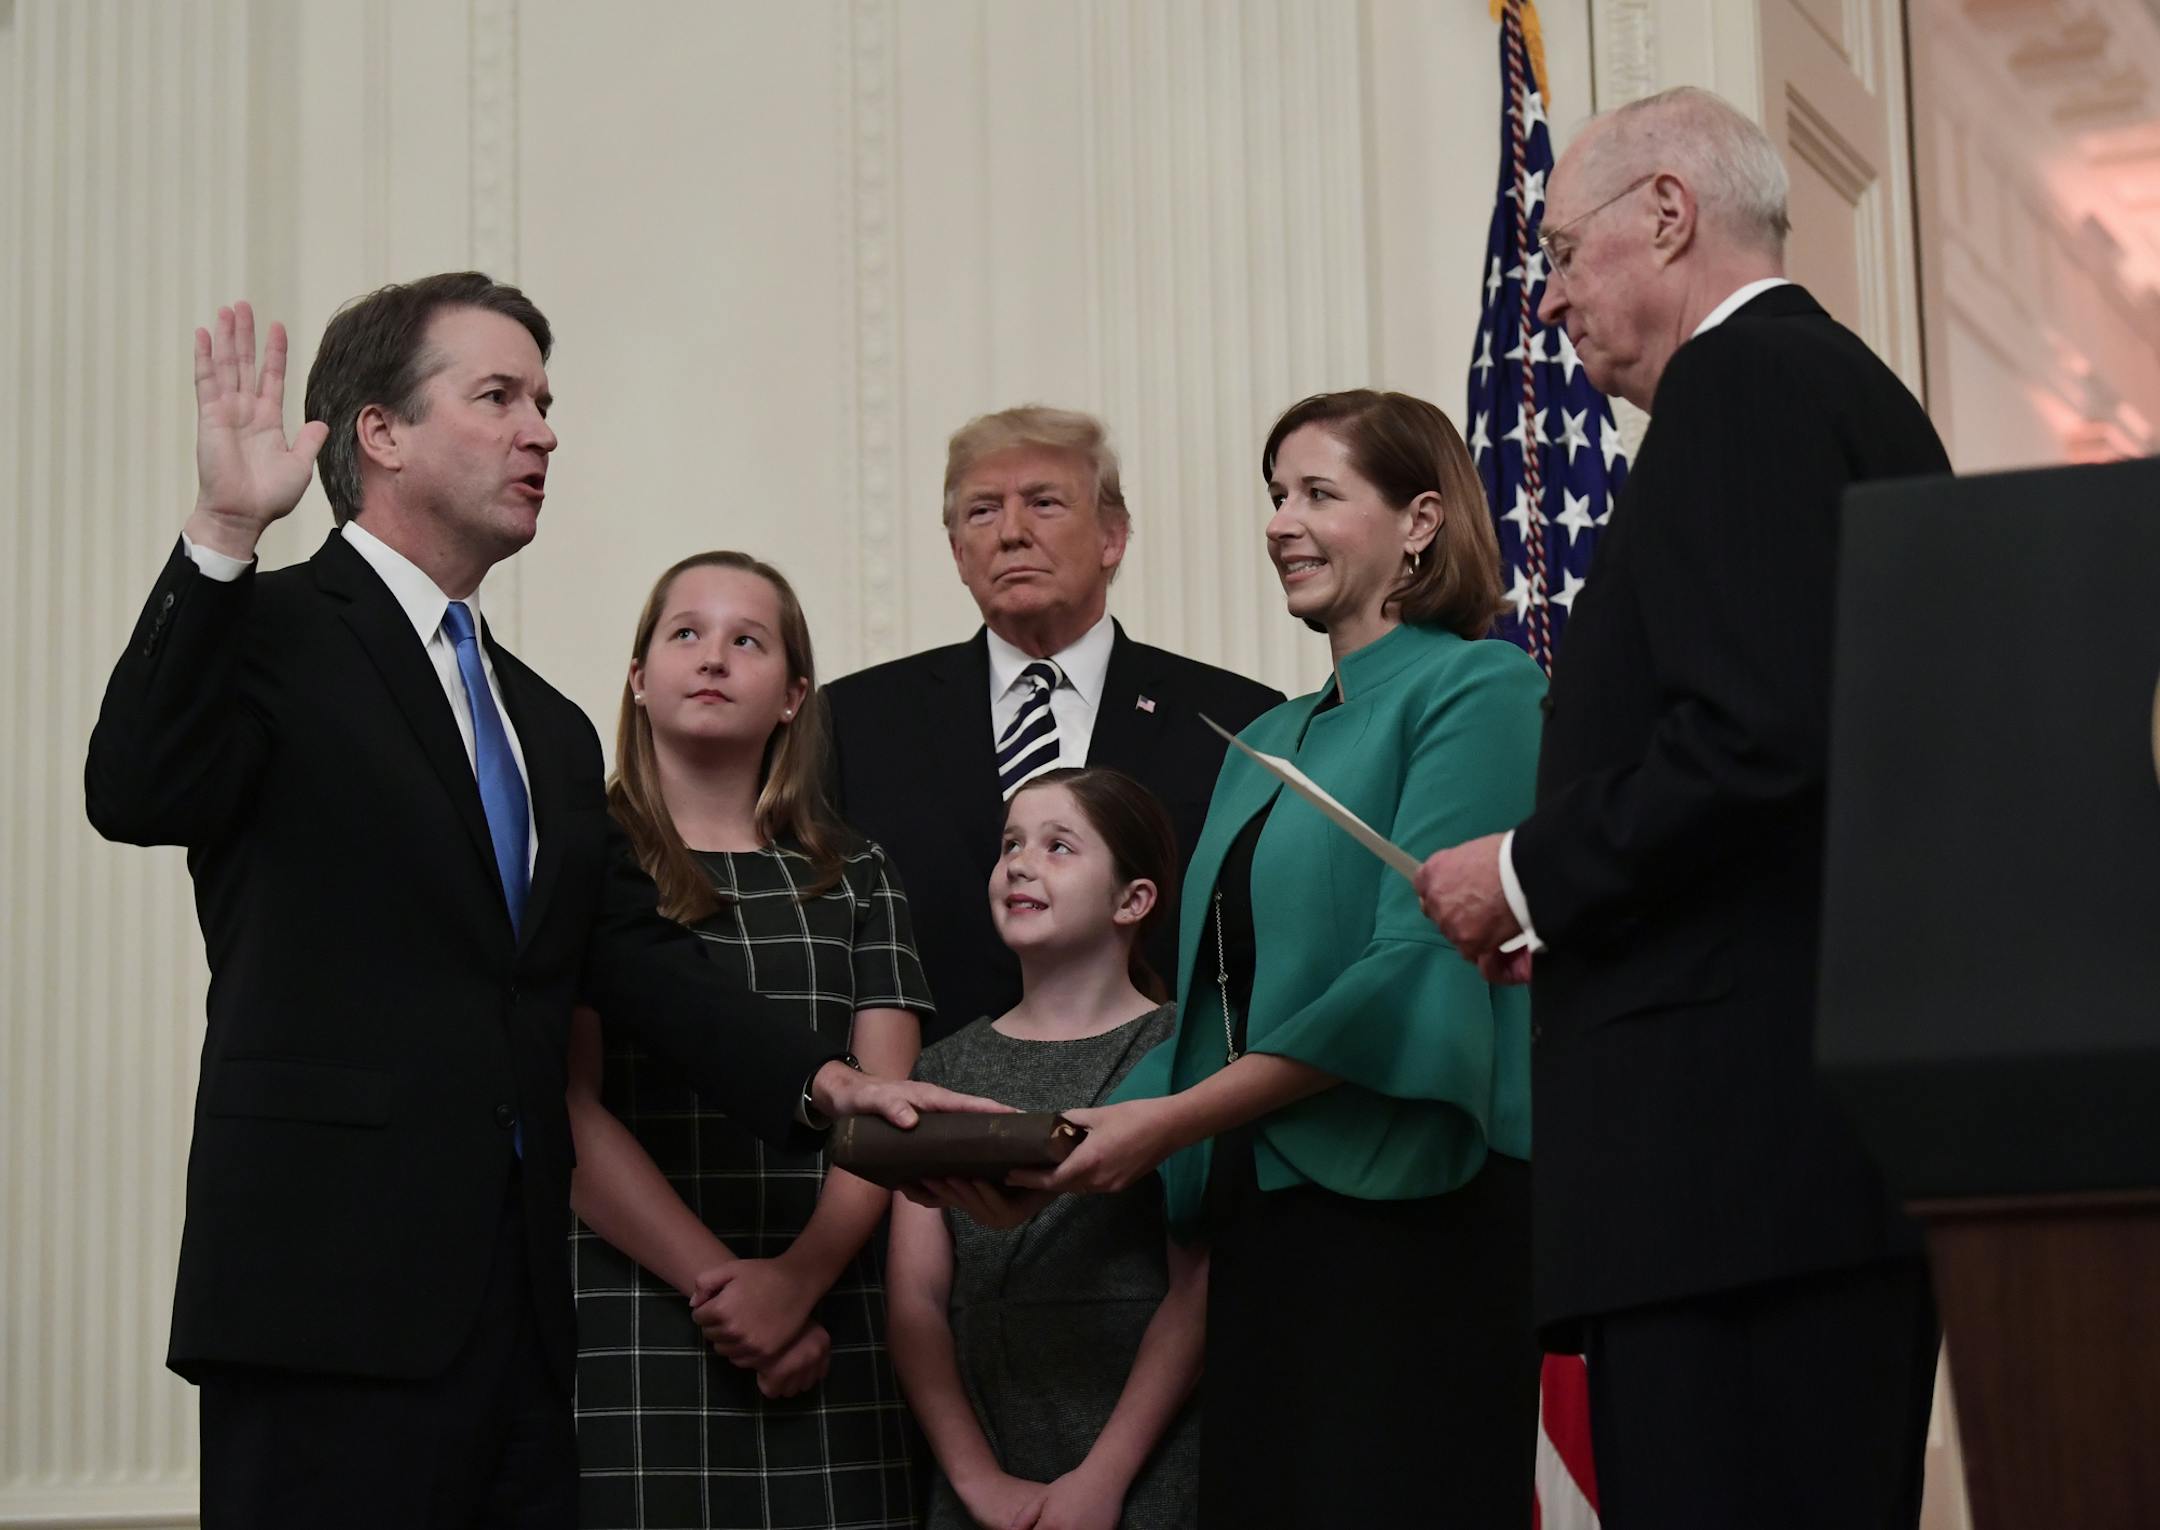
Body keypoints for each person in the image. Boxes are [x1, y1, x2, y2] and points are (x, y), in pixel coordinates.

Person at [83, 278, 988, 1529]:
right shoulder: (267, 626)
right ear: (380, 434)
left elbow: (631, 957)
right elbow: (133, 788)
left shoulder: (546, 723)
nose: (544, 431)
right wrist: (223, 533)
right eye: (498, 397)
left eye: (547, 403)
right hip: (325, 1290)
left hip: (522, 1314)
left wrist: (833, 1090)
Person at [1413, 87, 1951, 1530]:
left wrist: (1528, 873)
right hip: (1792, 1164)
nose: (1556, 299)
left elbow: (1759, 735)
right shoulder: (1835, 387)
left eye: (1567, 252)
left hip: (1736, 1189)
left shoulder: (1747, 391)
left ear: (1666, 212)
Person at [1013, 391, 1545, 1526]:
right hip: (1264, 1233)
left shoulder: (1484, 688)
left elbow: (1415, 970)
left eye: (1317, 493)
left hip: (1415, 1217)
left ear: (1419, 520)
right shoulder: (1263, 740)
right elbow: (1213, 1011)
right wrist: (1045, 1141)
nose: (1279, 523)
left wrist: (1174, 1122)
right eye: (1274, 496)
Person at [569, 552, 933, 1529]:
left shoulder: (857, 874)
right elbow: (567, 1109)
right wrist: (720, 1290)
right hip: (631, 1307)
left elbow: (887, 1111)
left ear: (794, 694)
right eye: (684, 633)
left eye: (748, 639)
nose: (713, 657)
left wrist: (794, 1287)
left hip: (830, 1311)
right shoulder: (574, 860)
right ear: (639, 678)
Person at [824, 406, 1280, 1042]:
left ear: (1112, 537)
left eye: (1043, 503)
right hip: (926, 1109)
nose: (1011, 532)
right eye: (983, 510)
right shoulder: (854, 722)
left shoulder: (1236, 720)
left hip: (1163, 1105)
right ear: (958, 551)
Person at [889, 768, 1204, 1530]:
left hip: (1139, 1469)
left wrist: (1104, 1479)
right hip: (982, 1464)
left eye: (1059, 846)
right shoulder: (942, 1070)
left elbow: (1196, 1293)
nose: (1021, 864)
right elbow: (916, 1301)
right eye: (1010, 846)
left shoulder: (1180, 1057)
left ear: (1133, 900)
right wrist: (976, 1481)